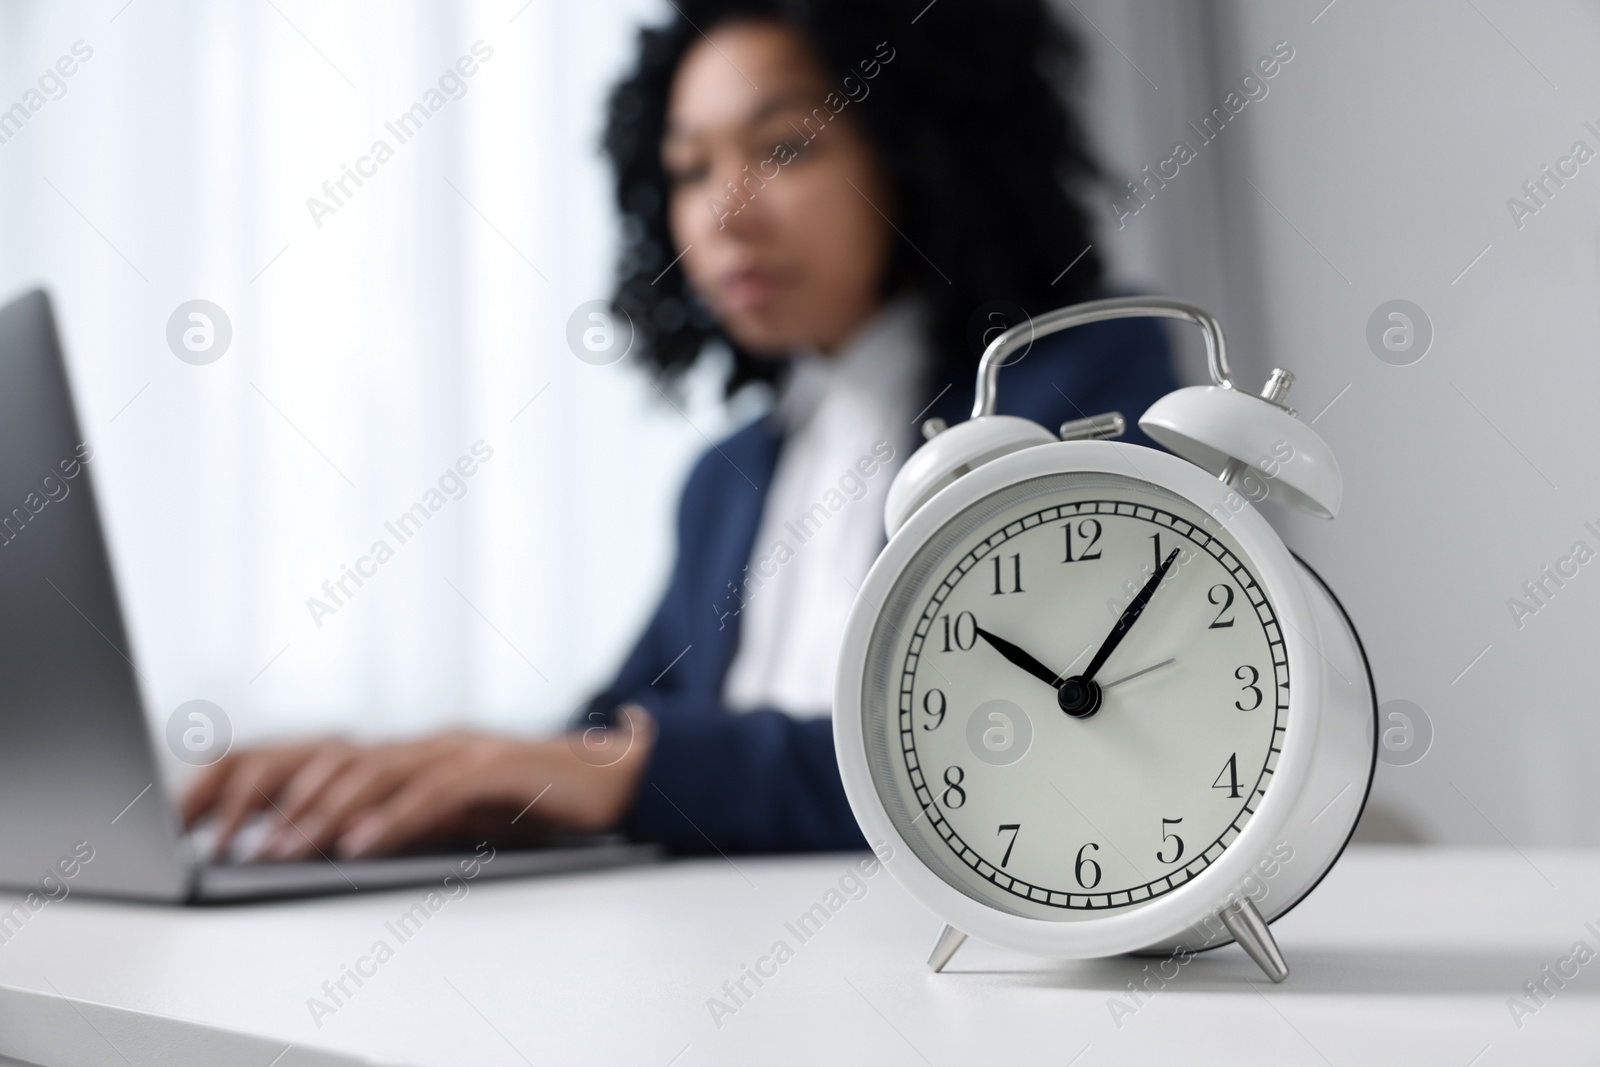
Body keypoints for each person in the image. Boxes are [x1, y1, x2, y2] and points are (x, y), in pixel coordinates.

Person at [182, 0, 1178, 859]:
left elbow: (1014, 740)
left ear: (922, 143)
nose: (723, 214)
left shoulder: (1082, 375)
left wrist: (612, 767)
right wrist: (404, 772)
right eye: (690, 169)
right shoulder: (729, 477)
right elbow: (605, 739)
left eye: (784, 146)